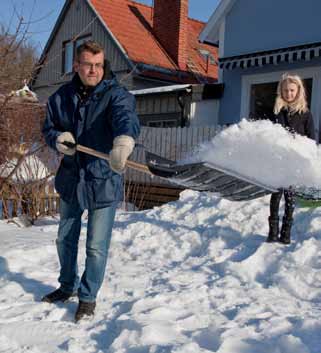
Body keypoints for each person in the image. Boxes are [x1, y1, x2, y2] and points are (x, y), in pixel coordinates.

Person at [41, 40, 140, 321]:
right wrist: (58, 139)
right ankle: (66, 286)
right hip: (72, 179)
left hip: (102, 179)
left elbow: (126, 118)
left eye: (99, 65)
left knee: (96, 246)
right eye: (88, 65)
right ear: (77, 66)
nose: (94, 70)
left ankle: (87, 297)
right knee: (64, 239)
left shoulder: (115, 95)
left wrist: (123, 141)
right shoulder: (61, 97)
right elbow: (49, 128)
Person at [267, 73, 314, 244]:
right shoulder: (277, 112)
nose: (289, 94)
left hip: (294, 161)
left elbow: (311, 139)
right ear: (281, 91)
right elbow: (268, 134)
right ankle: (272, 233)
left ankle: (285, 234)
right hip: (279, 160)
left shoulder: (305, 114)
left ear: (298, 91)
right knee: (275, 195)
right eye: (286, 90)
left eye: (292, 90)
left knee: (290, 197)